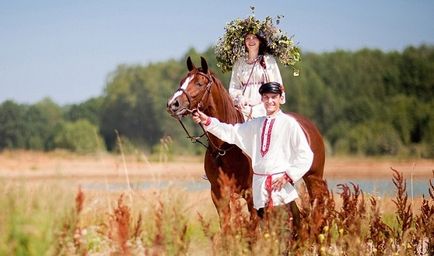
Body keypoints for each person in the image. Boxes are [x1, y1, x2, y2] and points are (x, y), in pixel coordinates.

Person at [192, 82, 313, 219]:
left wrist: (289, 175)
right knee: (263, 233)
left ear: (280, 98)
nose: (270, 101)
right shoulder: (256, 124)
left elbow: (306, 155)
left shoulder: (290, 124)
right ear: (262, 100)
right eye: (266, 97)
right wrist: (207, 121)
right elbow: (231, 133)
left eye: (274, 97)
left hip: (280, 191)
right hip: (259, 192)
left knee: (285, 232)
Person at [228, 33, 285, 120]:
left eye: (254, 37)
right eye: (248, 38)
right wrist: (239, 97)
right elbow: (234, 86)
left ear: (260, 41)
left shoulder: (268, 60)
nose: (251, 40)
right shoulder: (239, 63)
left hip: (264, 106)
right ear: (244, 42)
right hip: (243, 108)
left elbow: (276, 84)